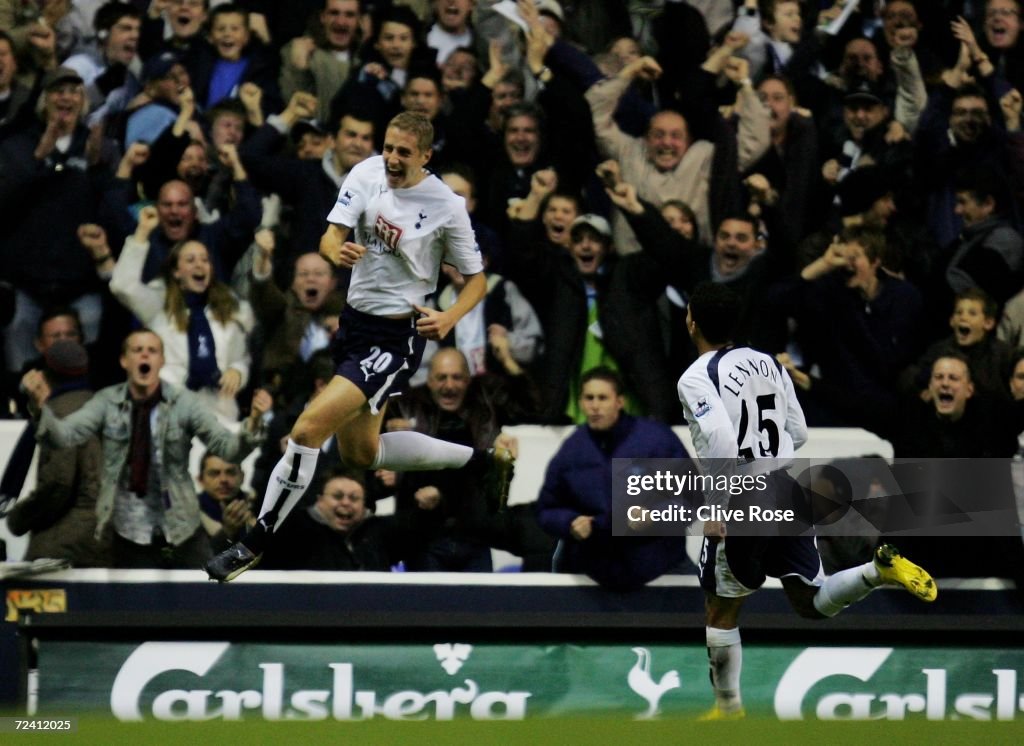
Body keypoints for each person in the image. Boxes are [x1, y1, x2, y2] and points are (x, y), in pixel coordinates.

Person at [206, 111, 514, 581]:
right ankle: (482, 460)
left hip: (395, 338)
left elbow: (477, 281)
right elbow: (331, 235)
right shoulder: (365, 172)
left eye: (403, 152)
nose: (391, 158)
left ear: (425, 156)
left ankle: (254, 542)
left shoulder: (447, 206)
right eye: (388, 147)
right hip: (353, 327)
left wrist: (449, 316)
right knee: (361, 455)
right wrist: (335, 251)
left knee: (307, 429)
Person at [677, 282, 936, 720]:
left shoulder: (697, 376)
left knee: (720, 608)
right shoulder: (768, 362)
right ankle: (877, 570)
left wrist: (719, 508)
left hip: (742, 493)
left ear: (692, 321)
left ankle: (727, 712)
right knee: (810, 601)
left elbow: (720, 438)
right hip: (784, 485)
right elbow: (797, 432)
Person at [21, 329, 271, 569]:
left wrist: (255, 421)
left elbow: (228, 449)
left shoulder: (184, 404)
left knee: (199, 601)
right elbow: (63, 437)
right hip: (128, 532)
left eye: (152, 350)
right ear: (123, 360)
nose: (144, 355)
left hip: (182, 528)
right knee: (132, 609)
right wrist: (40, 409)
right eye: (137, 350)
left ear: (161, 360)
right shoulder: (106, 403)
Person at [535, 366, 692, 590]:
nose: (595, 406)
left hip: (659, 566)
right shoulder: (573, 449)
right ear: (580, 402)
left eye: (603, 398)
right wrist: (570, 522)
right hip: (593, 570)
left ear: (620, 402)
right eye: (589, 398)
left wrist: (655, 516)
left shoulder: (657, 440)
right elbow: (547, 509)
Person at [4, 340, 110, 567]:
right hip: (107, 538)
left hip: (68, 542)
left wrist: (19, 519)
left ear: (47, 372)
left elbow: (58, 483)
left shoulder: (59, 413)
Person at [259, 468, 410, 571]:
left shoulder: (380, 531)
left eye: (354, 498)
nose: (345, 503)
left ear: (364, 505)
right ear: (320, 500)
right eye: (337, 496)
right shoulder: (294, 531)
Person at [196, 452, 256, 553]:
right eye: (214, 473)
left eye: (230, 472)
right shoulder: (189, 515)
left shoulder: (261, 506)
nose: (223, 480)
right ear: (200, 480)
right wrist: (226, 533)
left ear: (242, 476)